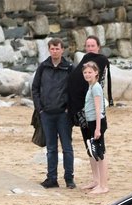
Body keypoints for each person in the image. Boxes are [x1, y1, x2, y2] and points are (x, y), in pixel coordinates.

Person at [31, 37, 74, 189]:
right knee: (51, 148)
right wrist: (40, 109)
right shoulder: (43, 67)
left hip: (63, 114)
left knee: (67, 147)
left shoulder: (69, 67)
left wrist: (70, 108)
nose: (55, 51)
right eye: (52, 49)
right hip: (46, 113)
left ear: (62, 50)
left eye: (57, 48)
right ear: (49, 50)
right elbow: (35, 88)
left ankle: (69, 179)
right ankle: (52, 178)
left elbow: (75, 90)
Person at [67, 35, 112, 128]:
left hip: (93, 100)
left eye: (93, 46)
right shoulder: (85, 58)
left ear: (98, 47)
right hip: (82, 102)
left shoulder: (102, 60)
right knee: (86, 135)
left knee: (95, 134)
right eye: (88, 46)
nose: (90, 48)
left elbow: (100, 82)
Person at [78, 62, 109, 194]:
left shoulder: (96, 87)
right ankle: (97, 181)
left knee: (100, 154)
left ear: (96, 73)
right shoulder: (91, 87)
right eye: (85, 72)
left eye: (90, 72)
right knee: (94, 152)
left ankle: (104, 185)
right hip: (91, 121)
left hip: (97, 122)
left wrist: (97, 129)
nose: (87, 74)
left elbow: (98, 109)